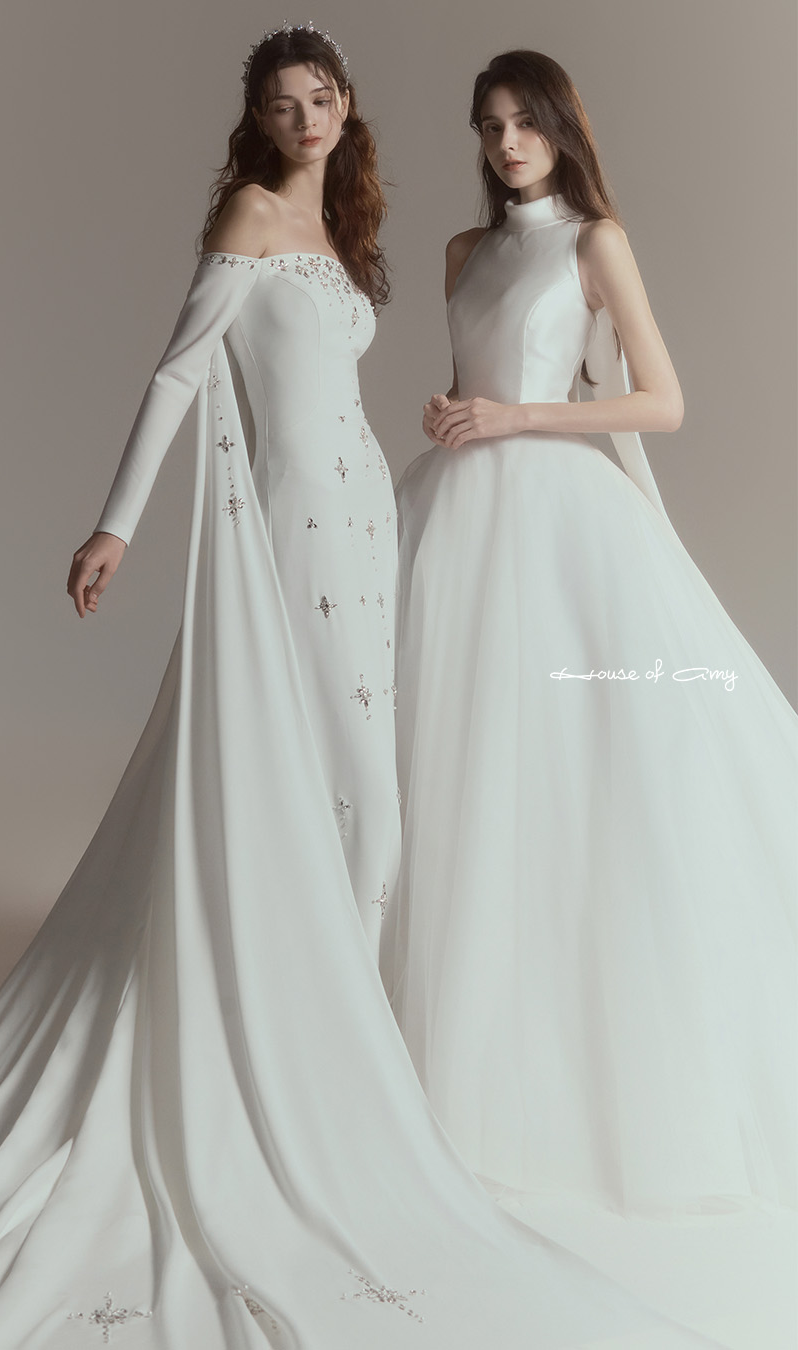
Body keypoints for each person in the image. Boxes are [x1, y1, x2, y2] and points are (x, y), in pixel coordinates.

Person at [0, 30, 719, 1350]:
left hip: (370, 522)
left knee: (370, 807)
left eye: (322, 97)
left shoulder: (351, 233)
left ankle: (327, 1071)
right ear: (257, 121)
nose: (306, 117)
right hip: (294, 531)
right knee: (341, 799)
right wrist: (116, 524)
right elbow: (180, 370)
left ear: (347, 109)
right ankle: (307, 1083)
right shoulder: (252, 214)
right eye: (282, 103)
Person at [391, 48, 797, 1217]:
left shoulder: (594, 241)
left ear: (563, 127)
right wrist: (454, 411)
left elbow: (662, 401)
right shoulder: (462, 251)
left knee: (574, 769)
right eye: (489, 125)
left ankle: (568, 1049)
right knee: (449, 759)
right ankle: (431, 1040)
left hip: (556, 517)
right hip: (457, 514)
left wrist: (515, 414)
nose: (507, 142)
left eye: (526, 121)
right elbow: (471, 379)